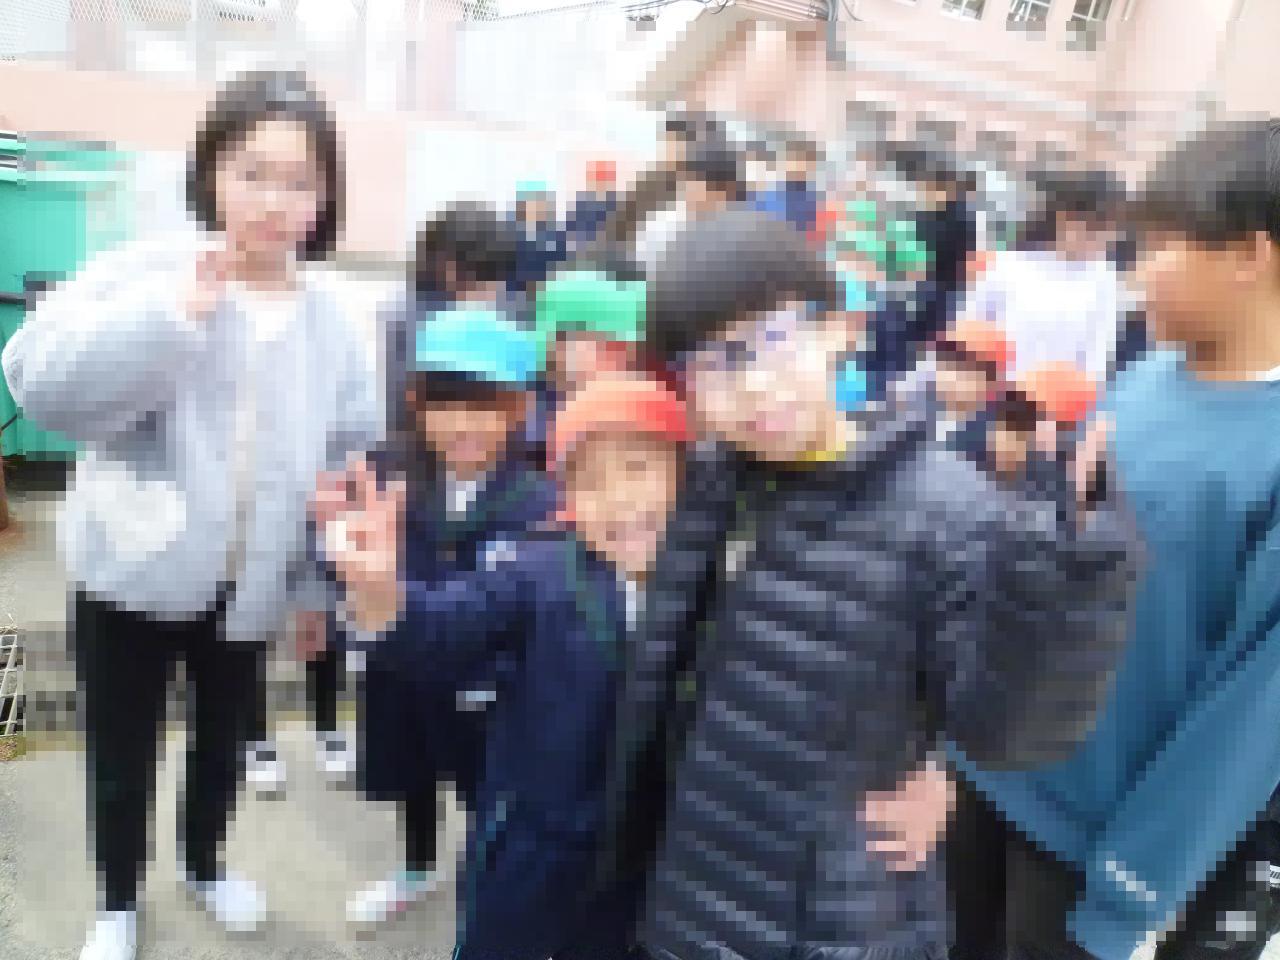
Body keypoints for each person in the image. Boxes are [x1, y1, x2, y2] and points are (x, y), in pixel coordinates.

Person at [592, 206, 1138, 960]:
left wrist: (1065, 582)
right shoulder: (718, 478)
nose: (754, 385)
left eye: (774, 339)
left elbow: (1006, 734)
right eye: (714, 363)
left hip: (824, 916)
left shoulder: (949, 512)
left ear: (837, 329)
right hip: (688, 880)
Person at [1, 70, 379, 960]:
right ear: (211, 171)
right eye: (253, 172)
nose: (275, 201)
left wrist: (313, 588)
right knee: (120, 749)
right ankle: (117, 900)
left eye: (300, 180)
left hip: (249, 583)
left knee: (221, 745)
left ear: (326, 197)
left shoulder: (332, 321)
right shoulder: (145, 272)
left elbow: (341, 465)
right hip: (130, 570)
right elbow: (40, 383)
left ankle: (205, 865)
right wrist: (171, 318)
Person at [951, 118, 1280, 960]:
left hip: (1090, 846)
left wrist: (1134, 887)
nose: (1135, 276)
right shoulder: (1145, 379)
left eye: (1161, 247)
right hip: (986, 775)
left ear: (1251, 255)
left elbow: (1250, 719)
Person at [322, 374, 689, 960]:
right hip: (528, 836)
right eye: (590, 481)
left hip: (643, 853)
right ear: (567, 500)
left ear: (685, 476)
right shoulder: (538, 572)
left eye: (639, 469)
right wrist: (379, 597)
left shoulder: (713, 587)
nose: (619, 498)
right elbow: (448, 626)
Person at [340, 306, 555, 930]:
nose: (462, 424)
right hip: (402, 669)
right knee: (410, 775)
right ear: (415, 402)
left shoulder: (541, 499)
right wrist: (336, 547)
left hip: (488, 686)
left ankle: (485, 895)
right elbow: (344, 561)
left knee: (489, 797)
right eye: (444, 404)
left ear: (519, 409)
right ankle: (415, 869)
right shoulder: (386, 474)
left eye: (484, 407)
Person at [959, 168, 1123, 381]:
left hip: (1057, 396)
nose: (1097, 239)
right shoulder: (1008, 266)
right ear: (1064, 218)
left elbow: (1096, 361)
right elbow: (970, 329)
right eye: (1090, 227)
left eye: (1107, 231)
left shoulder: (1106, 281)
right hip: (990, 389)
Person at [752, 137, 822, 234]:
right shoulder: (772, 193)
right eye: (794, 160)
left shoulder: (814, 195)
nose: (798, 165)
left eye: (804, 161)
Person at [510, 181, 568, 296]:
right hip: (518, 295)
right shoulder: (511, 237)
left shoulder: (559, 237)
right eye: (532, 203)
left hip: (550, 295)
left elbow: (562, 271)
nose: (538, 208)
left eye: (541, 202)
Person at [567, 159, 619, 250]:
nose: (601, 182)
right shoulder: (581, 204)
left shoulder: (616, 206)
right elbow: (572, 232)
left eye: (605, 178)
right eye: (599, 178)